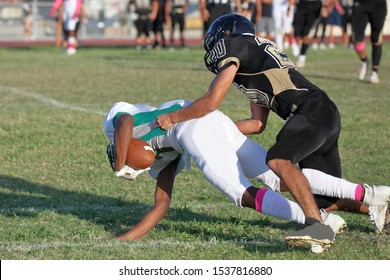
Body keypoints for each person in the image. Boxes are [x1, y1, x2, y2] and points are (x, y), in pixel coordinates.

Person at [155, 14, 390, 242]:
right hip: (323, 112)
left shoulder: (234, 45)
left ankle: (316, 227)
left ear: (226, 35)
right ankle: (382, 207)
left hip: (310, 111)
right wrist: (218, 130)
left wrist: (174, 118)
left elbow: (211, 100)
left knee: (278, 160)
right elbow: (257, 124)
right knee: (323, 199)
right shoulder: (254, 59)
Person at [104, 100, 390, 251]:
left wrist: (119, 165)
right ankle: (370, 195)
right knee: (278, 178)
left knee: (240, 193)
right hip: (214, 122)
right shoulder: (162, 156)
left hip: (195, 128)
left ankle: (318, 220)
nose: (139, 168)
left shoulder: (131, 124)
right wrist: (125, 239)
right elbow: (161, 206)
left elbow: (123, 121)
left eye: (132, 163)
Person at [352, 0, 387, 84]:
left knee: (376, 38)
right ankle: (364, 60)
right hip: (361, 4)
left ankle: (374, 72)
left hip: (378, 4)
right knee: (357, 39)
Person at [290, 0, 329, 67]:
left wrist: (325, 6)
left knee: (307, 34)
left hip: (315, 7)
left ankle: (302, 58)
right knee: (296, 34)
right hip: (301, 6)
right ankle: (297, 48)